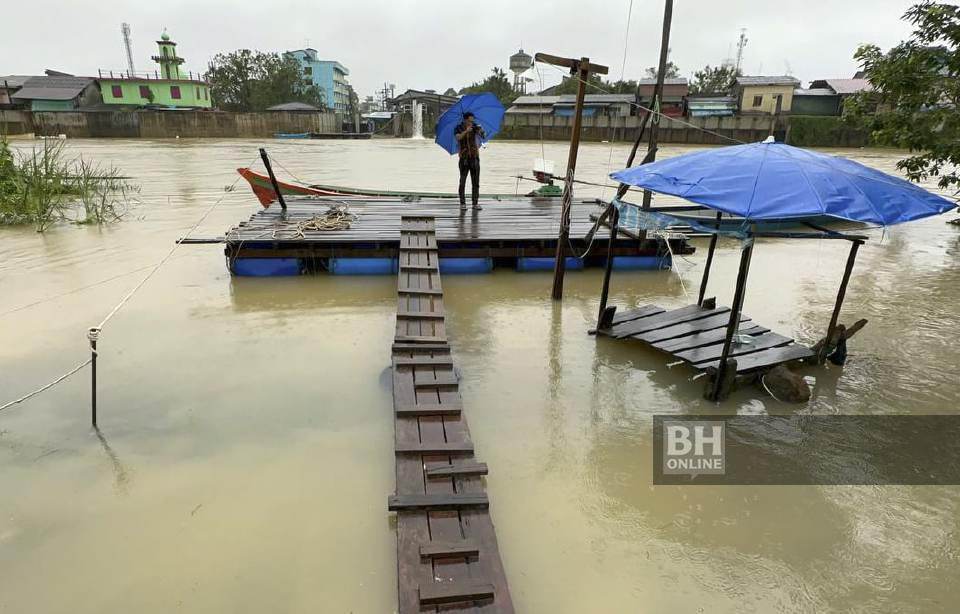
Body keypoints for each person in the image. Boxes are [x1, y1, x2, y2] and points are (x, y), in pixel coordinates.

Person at [454, 112, 485, 212]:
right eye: (470, 120)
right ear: (466, 120)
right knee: (462, 181)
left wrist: (481, 130)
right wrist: (466, 131)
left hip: (474, 157)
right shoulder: (458, 127)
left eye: (473, 120)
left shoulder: (475, 126)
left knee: (476, 182)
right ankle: (462, 203)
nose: (472, 122)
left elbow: (483, 136)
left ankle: (475, 203)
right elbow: (458, 137)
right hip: (464, 158)